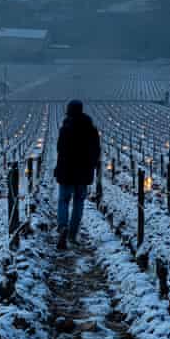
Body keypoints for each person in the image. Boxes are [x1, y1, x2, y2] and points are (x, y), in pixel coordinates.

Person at [54, 100, 100, 249]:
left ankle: (62, 227)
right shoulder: (91, 129)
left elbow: (60, 149)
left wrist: (59, 168)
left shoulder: (65, 128)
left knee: (63, 200)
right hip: (83, 173)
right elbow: (96, 151)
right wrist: (91, 166)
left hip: (66, 171)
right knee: (79, 202)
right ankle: (73, 234)